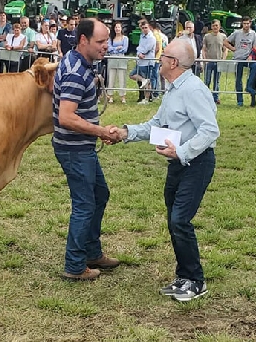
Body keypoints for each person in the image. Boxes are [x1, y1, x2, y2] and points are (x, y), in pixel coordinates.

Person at [109, 39, 219, 301]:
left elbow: (210, 130)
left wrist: (181, 152)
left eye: (163, 54)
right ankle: (184, 277)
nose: (159, 57)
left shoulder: (192, 89)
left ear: (173, 63)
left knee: (180, 220)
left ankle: (196, 281)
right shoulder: (173, 89)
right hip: (179, 164)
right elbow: (157, 124)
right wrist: (125, 133)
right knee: (174, 221)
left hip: (196, 163)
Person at [53, 18, 120, 281]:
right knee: (84, 205)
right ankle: (75, 265)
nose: (107, 46)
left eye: (107, 41)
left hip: (80, 148)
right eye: (101, 42)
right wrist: (101, 131)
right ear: (83, 40)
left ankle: (92, 253)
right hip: (75, 150)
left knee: (100, 195)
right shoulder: (75, 72)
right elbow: (66, 117)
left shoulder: (74, 60)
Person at [224, 16, 256, 107]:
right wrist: (232, 48)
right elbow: (225, 42)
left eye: (248, 23)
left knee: (255, 66)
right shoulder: (237, 33)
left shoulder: (253, 34)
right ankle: (240, 101)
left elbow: (255, 47)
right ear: (242, 24)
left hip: (248, 59)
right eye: (244, 23)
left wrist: (251, 56)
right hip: (238, 58)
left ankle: (249, 87)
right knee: (238, 79)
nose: (246, 25)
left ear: (250, 23)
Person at [129, 20, 155, 104]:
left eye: (146, 28)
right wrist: (139, 52)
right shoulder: (141, 36)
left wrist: (140, 52)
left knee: (147, 82)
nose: (144, 29)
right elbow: (139, 48)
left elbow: (146, 49)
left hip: (147, 62)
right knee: (132, 75)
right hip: (140, 61)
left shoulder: (151, 38)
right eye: (143, 28)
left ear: (149, 27)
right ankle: (143, 81)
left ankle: (147, 99)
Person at [201, 19, 227, 104]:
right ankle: (206, 97)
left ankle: (215, 98)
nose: (215, 27)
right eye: (213, 26)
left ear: (219, 26)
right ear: (211, 27)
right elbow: (204, 49)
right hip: (209, 62)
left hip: (218, 62)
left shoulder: (223, 36)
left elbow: (225, 49)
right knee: (207, 80)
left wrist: (223, 59)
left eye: (216, 25)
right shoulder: (207, 36)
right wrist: (205, 60)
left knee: (217, 81)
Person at [106, 21, 129, 103]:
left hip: (121, 58)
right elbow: (109, 48)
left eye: (119, 27)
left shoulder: (125, 38)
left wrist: (116, 49)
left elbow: (125, 49)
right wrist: (117, 49)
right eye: (116, 27)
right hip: (112, 59)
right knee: (111, 78)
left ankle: (122, 96)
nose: (117, 29)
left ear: (121, 28)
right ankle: (110, 95)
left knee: (122, 78)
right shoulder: (111, 39)